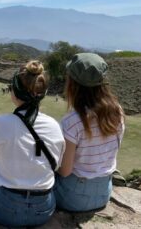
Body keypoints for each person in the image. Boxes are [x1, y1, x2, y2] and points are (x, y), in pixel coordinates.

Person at [0, 60, 65, 227]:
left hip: (4, 208)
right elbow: (55, 167)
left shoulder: (0, 123)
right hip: (43, 209)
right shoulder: (54, 126)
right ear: (43, 92)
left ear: (14, 91)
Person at [54, 53, 125, 212]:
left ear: (72, 84)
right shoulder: (118, 112)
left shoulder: (72, 121)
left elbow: (65, 172)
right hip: (103, 192)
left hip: (73, 196)